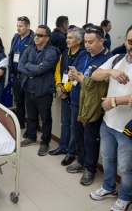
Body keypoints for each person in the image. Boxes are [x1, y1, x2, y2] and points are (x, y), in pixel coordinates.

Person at [89, 25, 132, 211]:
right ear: (125, 41)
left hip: (127, 127)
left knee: (126, 167)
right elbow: (94, 74)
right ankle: (109, 187)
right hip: (108, 122)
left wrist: (114, 101)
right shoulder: (117, 59)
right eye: (131, 42)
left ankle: (126, 196)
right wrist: (110, 72)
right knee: (107, 158)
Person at [66, 25, 112, 186]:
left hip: (92, 105)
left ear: (102, 41)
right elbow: (77, 72)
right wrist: (72, 75)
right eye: (85, 42)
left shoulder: (108, 58)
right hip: (76, 100)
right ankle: (81, 161)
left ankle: (90, 168)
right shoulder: (83, 54)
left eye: (91, 42)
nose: (87, 45)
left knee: (90, 137)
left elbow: (103, 84)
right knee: (78, 134)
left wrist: (81, 80)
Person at [18, 25, 60, 156]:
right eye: (35, 34)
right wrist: (34, 68)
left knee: (45, 118)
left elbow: (42, 69)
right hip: (28, 88)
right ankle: (31, 137)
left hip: (43, 90)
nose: (36, 37)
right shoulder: (30, 49)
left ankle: (45, 142)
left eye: (40, 35)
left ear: (47, 38)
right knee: (31, 116)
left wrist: (29, 66)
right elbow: (20, 66)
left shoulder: (52, 52)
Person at [49, 27, 84, 166]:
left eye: (70, 38)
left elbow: (77, 77)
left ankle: (70, 152)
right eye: (67, 37)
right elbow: (58, 71)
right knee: (65, 122)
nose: (67, 40)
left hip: (74, 95)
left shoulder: (83, 55)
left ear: (79, 40)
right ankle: (62, 146)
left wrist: (64, 89)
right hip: (63, 93)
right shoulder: (65, 52)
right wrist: (59, 86)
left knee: (73, 126)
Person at [8, 16, 34, 129]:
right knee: (18, 101)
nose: (18, 28)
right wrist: (11, 70)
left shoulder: (33, 38)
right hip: (16, 75)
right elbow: (11, 53)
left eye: (21, 26)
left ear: (28, 26)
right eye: (17, 26)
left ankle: (31, 127)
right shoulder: (15, 37)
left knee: (29, 102)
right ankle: (20, 123)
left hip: (27, 76)